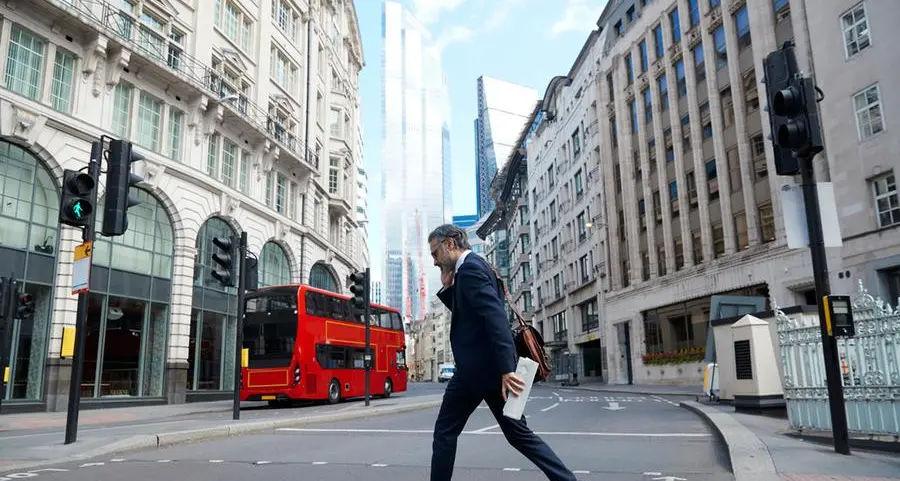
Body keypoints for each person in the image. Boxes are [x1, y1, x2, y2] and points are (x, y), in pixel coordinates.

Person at [427, 224, 577, 481]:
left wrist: (508, 369)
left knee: (445, 432)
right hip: (489, 371)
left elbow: (495, 318)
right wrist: (448, 284)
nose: (434, 261)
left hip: (479, 371)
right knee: (518, 434)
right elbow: (471, 315)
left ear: (450, 244)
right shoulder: (470, 268)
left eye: (435, 253)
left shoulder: (471, 269)